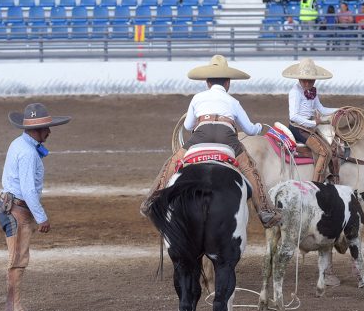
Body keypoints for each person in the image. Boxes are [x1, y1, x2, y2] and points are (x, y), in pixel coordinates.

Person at [140, 55, 281, 228]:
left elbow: (187, 125)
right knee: (249, 168)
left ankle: (151, 202)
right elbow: (250, 130)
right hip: (227, 137)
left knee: (172, 162)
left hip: (201, 135)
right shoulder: (233, 101)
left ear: (207, 82)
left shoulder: (197, 98)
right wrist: (259, 127)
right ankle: (265, 212)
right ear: (228, 83)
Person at [0, 103, 71, 311]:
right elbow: (28, 190)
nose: (49, 131)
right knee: (18, 260)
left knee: (17, 260)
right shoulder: (28, 153)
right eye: (46, 128)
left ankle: (14, 308)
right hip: (18, 211)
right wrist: (42, 217)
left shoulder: (18, 143)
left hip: (11, 206)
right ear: (35, 130)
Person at [283, 58, 339, 182]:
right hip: (298, 128)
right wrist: (313, 123)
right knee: (324, 152)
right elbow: (293, 116)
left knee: (332, 145)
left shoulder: (312, 91)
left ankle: (329, 176)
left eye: (311, 81)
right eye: (305, 81)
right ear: (299, 79)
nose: (308, 84)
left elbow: (321, 109)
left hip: (308, 127)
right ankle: (316, 182)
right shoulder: (295, 92)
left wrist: (339, 110)